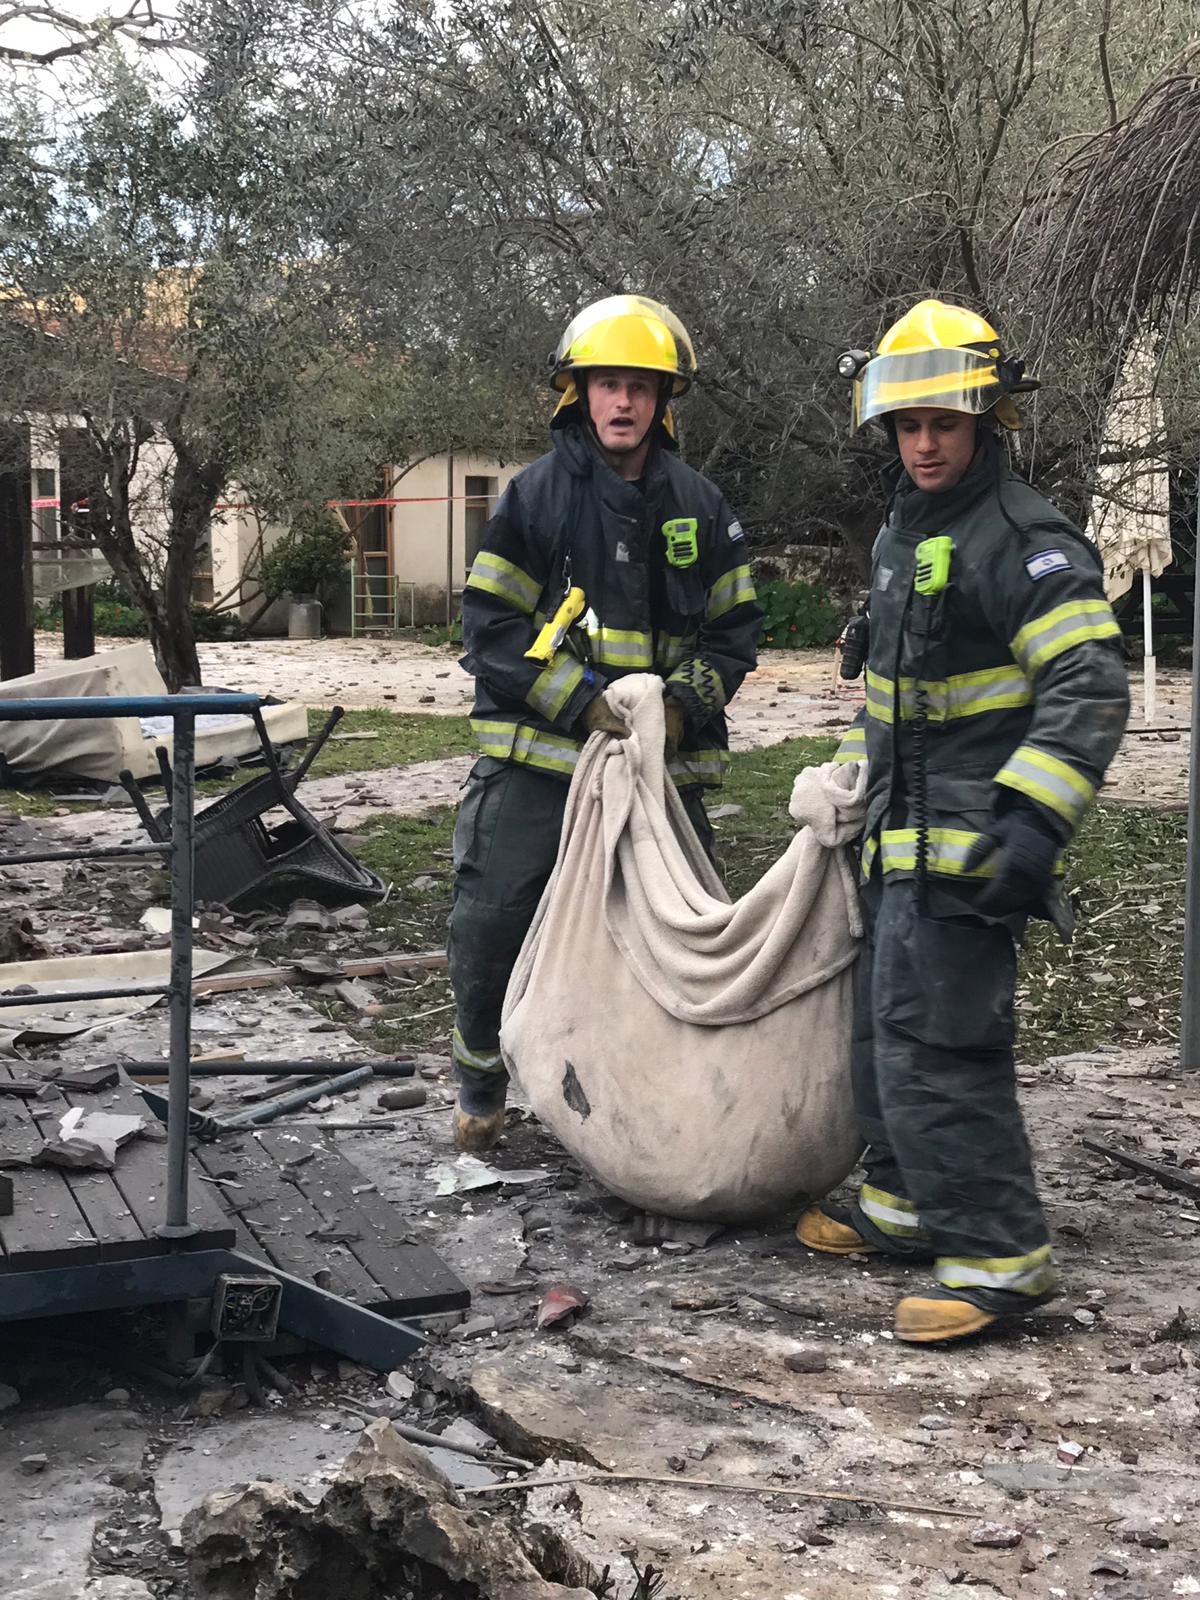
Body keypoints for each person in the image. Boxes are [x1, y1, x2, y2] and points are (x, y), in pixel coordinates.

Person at [797, 299, 1130, 1344]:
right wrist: (852, 774)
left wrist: (1030, 826)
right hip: (903, 846)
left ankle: (996, 1256)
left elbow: (1089, 685)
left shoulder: (1021, 540)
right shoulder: (908, 531)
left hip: (979, 854)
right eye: (908, 425)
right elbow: (901, 695)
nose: (926, 442)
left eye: (945, 421)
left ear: (988, 420)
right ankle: (902, 1207)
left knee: (945, 1051)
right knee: (884, 1037)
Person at [449, 294, 763, 1151]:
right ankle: (482, 1088)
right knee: (494, 913)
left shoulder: (701, 505)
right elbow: (491, 629)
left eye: (640, 387)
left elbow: (736, 633)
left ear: (664, 401)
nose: (622, 403)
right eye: (606, 385)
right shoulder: (534, 501)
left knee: (687, 935)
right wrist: (582, 705)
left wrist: (685, 701)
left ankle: (662, 1103)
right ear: (576, 395)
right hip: (541, 761)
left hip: (666, 769)